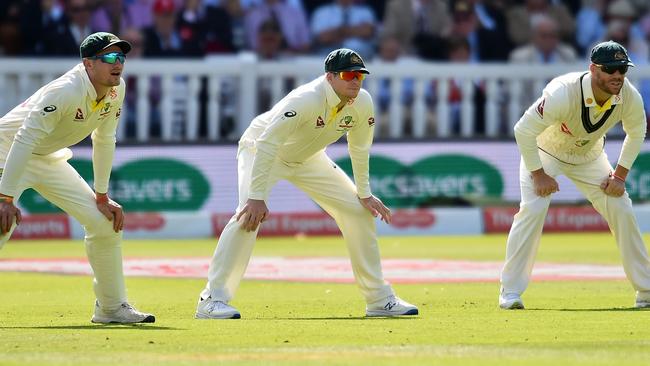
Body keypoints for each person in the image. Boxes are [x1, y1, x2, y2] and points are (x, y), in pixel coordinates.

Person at [196, 48, 418, 319]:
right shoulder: (306, 99)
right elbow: (267, 142)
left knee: (359, 211)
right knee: (247, 216)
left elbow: (359, 148)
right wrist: (256, 196)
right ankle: (212, 300)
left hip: (309, 158)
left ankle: (378, 299)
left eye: (360, 75)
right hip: (262, 150)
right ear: (330, 77)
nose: (355, 81)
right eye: (349, 74)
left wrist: (364, 193)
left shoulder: (362, 102)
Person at [0, 32, 155, 324]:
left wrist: (101, 195)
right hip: (7, 151)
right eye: (109, 57)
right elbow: (23, 140)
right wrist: (5, 197)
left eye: (121, 57)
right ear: (88, 64)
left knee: (104, 222)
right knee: (1, 224)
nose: (117, 63)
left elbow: (105, 139)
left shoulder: (115, 89)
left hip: (46, 156)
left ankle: (110, 308)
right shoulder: (66, 90)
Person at [499, 41, 650, 310]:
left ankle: (646, 291)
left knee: (621, 207)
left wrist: (620, 176)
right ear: (593, 69)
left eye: (622, 69)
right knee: (533, 210)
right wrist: (538, 174)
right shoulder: (563, 93)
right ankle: (510, 292)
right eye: (611, 69)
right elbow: (523, 130)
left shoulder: (628, 95)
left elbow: (637, 132)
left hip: (589, 157)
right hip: (545, 153)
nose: (617, 76)